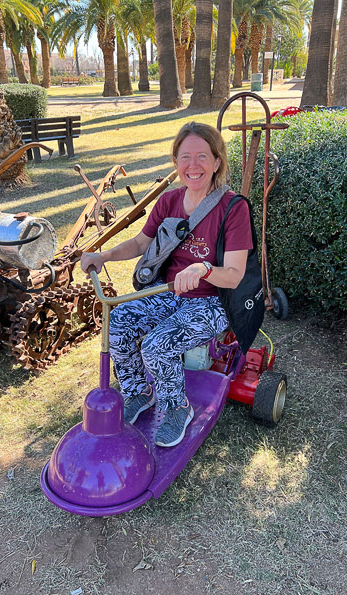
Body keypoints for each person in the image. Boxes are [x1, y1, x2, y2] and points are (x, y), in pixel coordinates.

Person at [81, 122, 252, 448]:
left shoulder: (233, 208)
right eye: (185, 157)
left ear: (217, 161)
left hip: (213, 301)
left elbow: (233, 276)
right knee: (118, 321)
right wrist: (103, 256)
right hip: (169, 291)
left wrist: (203, 269)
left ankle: (177, 407)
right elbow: (140, 243)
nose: (193, 165)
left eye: (202, 156)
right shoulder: (169, 201)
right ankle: (137, 392)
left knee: (157, 345)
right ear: (175, 162)